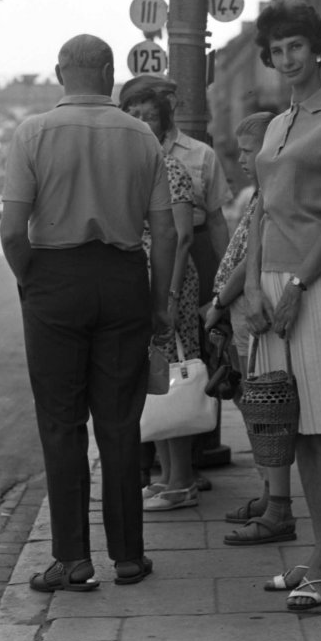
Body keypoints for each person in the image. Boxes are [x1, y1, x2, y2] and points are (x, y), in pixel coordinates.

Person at [0, 34, 176, 590]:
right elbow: (166, 231)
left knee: (61, 422)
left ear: (59, 73)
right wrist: (159, 303)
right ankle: (127, 555)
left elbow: (10, 230)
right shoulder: (142, 135)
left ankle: (73, 558)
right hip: (123, 278)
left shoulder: (32, 133)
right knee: (121, 423)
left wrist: (33, 280)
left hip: (54, 279)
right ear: (107, 73)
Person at [245, 1, 321, 610]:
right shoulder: (276, 124)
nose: (286, 58)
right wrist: (249, 287)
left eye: (296, 46)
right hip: (269, 285)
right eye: (277, 50)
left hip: (319, 283)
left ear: (317, 49)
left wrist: (295, 287)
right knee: (289, 426)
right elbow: (261, 211)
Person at [205, 111, 295, 544]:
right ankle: (267, 493)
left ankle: (277, 503)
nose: (241, 158)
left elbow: (247, 262)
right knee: (254, 409)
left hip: (247, 311)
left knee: (261, 408)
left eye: (248, 149)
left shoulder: (271, 194)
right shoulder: (259, 192)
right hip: (239, 313)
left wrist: (219, 301)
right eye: (239, 149)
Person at [120, 84, 201, 511]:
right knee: (160, 381)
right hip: (149, 282)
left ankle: (183, 480)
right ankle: (168, 476)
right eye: (133, 114)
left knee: (176, 379)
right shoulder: (141, 168)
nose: (141, 123)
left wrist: (168, 296)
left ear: (163, 123)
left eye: (149, 115)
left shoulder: (170, 168)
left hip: (169, 283)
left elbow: (183, 236)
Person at [119, 74, 232, 302]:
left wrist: (226, 276)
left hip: (195, 254)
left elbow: (216, 220)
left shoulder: (201, 154)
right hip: (136, 256)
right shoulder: (119, 157)